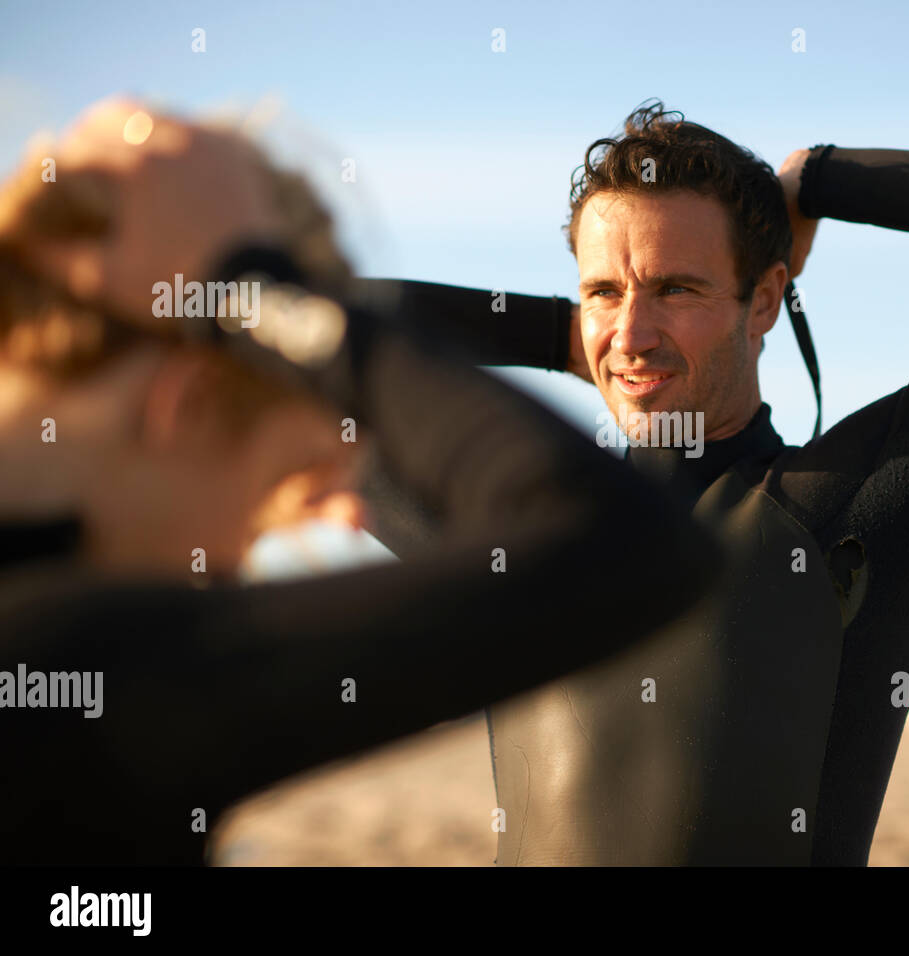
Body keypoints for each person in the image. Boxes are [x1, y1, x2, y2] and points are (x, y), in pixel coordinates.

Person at [362, 100, 909, 865]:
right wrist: (576, 340)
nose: (632, 333)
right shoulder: (521, 528)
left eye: (676, 288)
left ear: (764, 300)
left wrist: (822, 180)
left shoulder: (853, 505)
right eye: (603, 290)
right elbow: (281, 333)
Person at [0, 98, 721, 865]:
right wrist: (250, 286)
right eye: (263, 509)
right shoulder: (79, 658)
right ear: (189, 405)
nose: (243, 565)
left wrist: (255, 296)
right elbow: (623, 545)